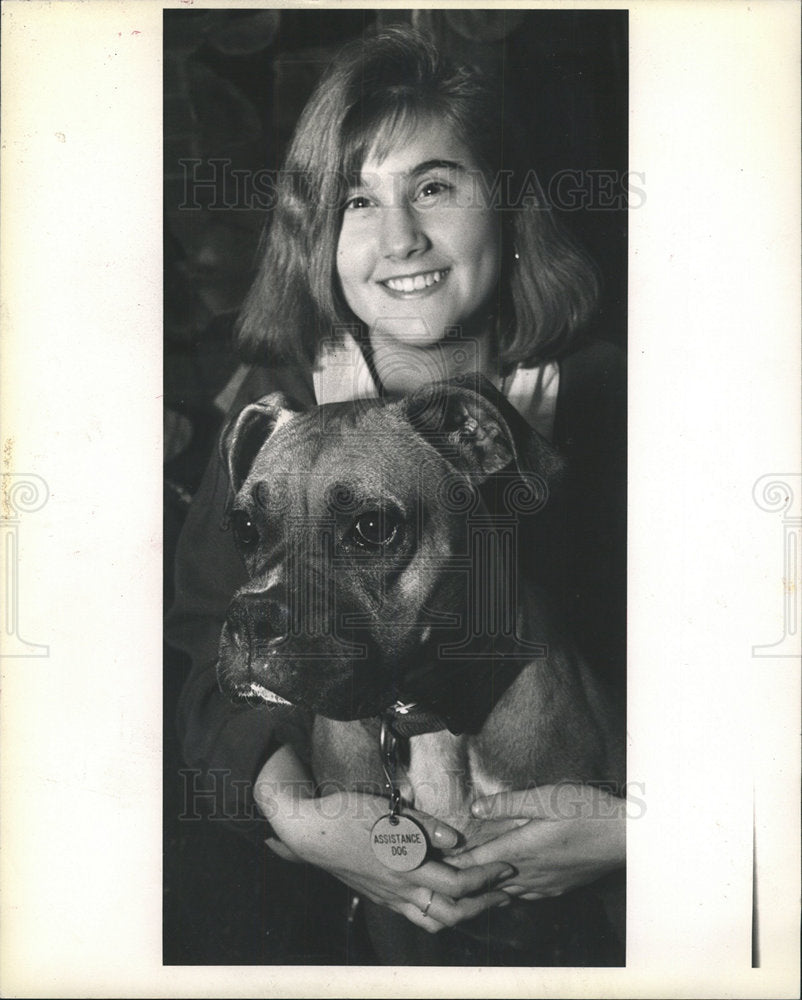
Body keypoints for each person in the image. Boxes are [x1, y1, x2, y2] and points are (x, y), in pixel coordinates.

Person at [166, 26, 627, 966]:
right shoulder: (275, 416)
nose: (400, 238)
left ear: (508, 203)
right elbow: (206, 653)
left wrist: (652, 831)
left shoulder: (625, 399)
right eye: (355, 201)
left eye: (435, 188)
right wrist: (298, 817)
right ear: (316, 237)